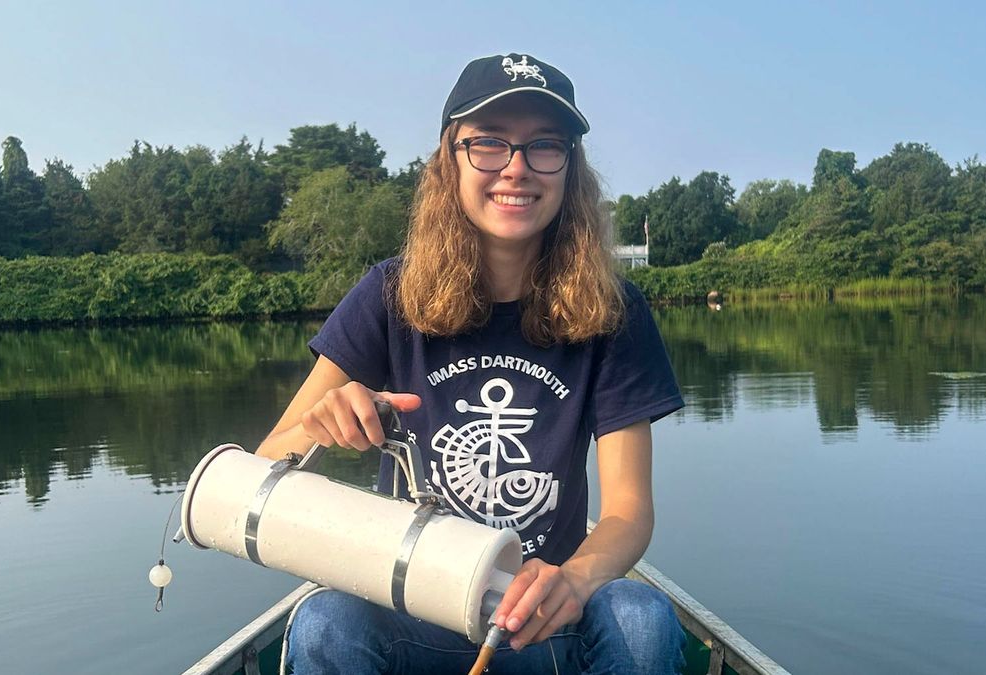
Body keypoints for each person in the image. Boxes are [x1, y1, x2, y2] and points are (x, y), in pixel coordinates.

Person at [257, 52, 686, 674]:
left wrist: (572, 582)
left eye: (544, 146)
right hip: (411, 612)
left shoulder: (614, 312)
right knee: (325, 621)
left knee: (641, 619)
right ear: (448, 162)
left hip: (540, 622)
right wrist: (325, 425)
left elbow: (626, 511)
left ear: (569, 169)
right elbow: (266, 464)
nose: (516, 169)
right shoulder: (387, 296)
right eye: (488, 143)